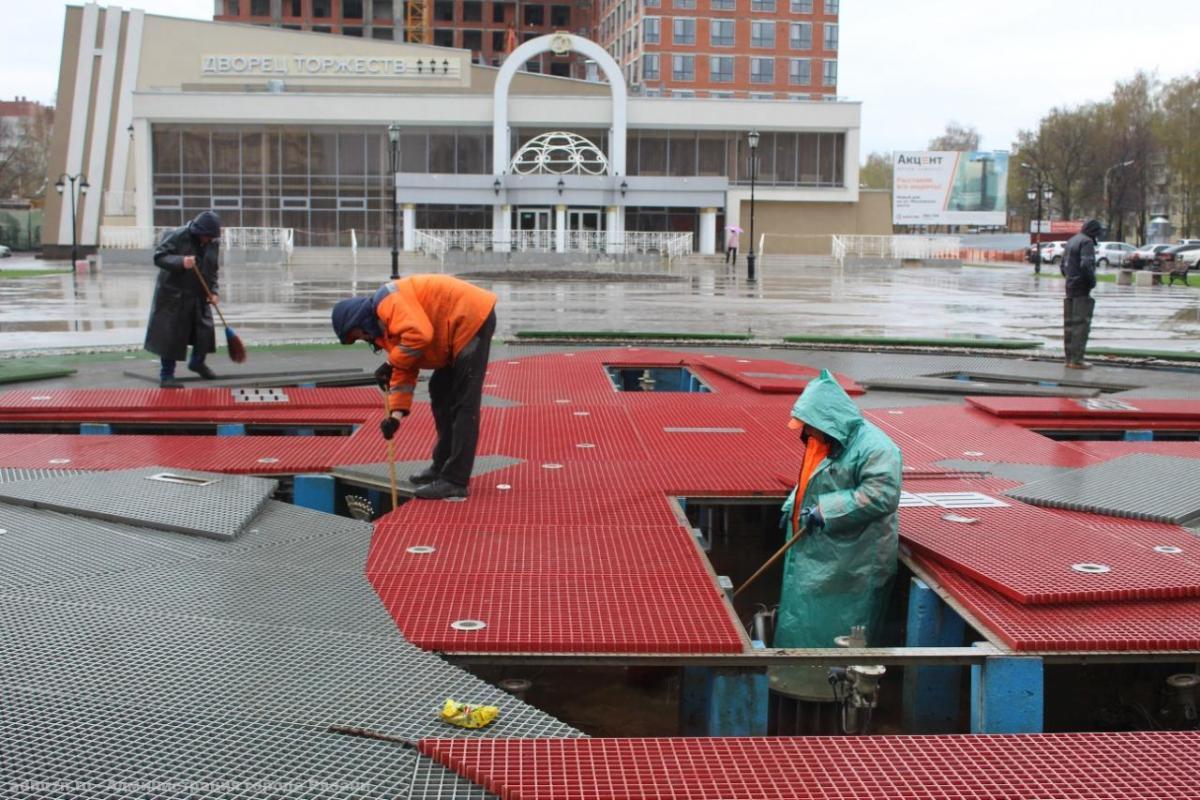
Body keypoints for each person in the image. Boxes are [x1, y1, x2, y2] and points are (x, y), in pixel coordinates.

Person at [331, 275, 497, 500]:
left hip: (470, 317)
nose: (363, 339)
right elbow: (404, 369)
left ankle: (456, 480)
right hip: (453, 330)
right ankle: (441, 467)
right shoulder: (385, 332)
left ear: (357, 321)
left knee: (464, 401)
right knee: (440, 390)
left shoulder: (387, 302)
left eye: (357, 336)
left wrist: (390, 363)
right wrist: (395, 417)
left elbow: (419, 334)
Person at [775, 370, 902, 648]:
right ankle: (797, 673)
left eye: (809, 424)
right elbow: (811, 477)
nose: (806, 431)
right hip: (820, 551)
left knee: (841, 630)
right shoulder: (824, 441)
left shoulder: (876, 448)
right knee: (803, 620)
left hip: (854, 560)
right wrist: (791, 506)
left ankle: (828, 684)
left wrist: (826, 510)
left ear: (826, 420)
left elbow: (882, 494)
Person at [144, 211, 222, 388]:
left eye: (211, 237)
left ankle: (197, 363)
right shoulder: (177, 235)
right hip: (174, 294)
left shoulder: (212, 243)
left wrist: (214, 291)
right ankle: (166, 375)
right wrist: (181, 261)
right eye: (206, 236)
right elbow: (159, 256)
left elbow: (213, 269)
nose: (208, 240)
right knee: (171, 335)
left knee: (204, 332)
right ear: (198, 231)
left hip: (199, 293)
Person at [1062, 218, 1103, 369]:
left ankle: (1069, 358)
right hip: (1081, 286)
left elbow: (1062, 265)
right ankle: (1077, 360)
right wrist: (1092, 281)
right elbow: (1086, 264)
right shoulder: (1086, 242)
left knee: (1069, 324)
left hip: (1070, 285)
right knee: (1081, 324)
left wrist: (1069, 278)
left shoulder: (1072, 240)